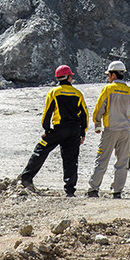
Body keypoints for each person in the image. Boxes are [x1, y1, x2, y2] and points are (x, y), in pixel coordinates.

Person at [19, 65, 90, 196]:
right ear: (69, 77)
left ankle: (26, 178)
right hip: (74, 130)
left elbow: (47, 114)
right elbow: (84, 115)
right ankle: (70, 190)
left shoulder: (54, 92)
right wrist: (82, 133)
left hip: (59, 129)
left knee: (40, 150)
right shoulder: (78, 93)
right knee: (71, 159)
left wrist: (47, 129)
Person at [85, 60, 130, 198]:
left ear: (113, 75)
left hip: (110, 130)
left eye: (109, 75)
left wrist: (98, 124)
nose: (108, 77)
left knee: (102, 159)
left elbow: (99, 108)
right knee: (122, 162)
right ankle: (117, 191)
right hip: (125, 131)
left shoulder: (108, 89)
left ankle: (93, 189)